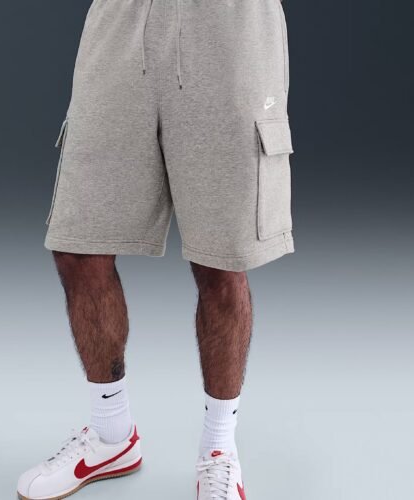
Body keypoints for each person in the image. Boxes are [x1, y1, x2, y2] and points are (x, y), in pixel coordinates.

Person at [17, 0, 294, 498]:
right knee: (79, 246)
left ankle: (219, 448)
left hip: (228, 28)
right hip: (121, 24)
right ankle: (111, 436)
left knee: (221, 259)